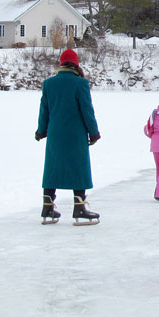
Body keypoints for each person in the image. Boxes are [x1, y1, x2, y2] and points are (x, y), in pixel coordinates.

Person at [35, 49, 101, 225]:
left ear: (61, 64)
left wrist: (41, 130)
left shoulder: (49, 84)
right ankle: (79, 208)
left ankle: (47, 207)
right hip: (75, 134)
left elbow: (44, 110)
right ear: (76, 64)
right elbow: (87, 110)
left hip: (55, 133)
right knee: (79, 168)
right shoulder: (80, 84)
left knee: (52, 168)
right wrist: (93, 133)